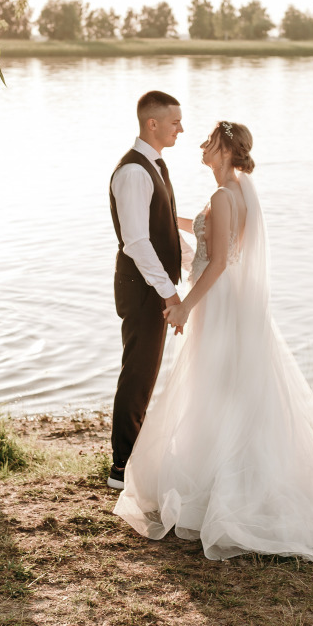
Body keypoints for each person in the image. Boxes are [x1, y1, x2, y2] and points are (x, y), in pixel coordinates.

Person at [114, 121, 313, 560]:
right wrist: (170, 221)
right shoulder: (238, 191)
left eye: (209, 142)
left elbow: (218, 263)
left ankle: (226, 485)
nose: (201, 146)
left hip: (219, 302)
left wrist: (186, 305)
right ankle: (227, 475)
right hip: (231, 302)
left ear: (225, 150)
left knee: (215, 386)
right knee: (228, 387)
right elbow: (218, 238)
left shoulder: (223, 194)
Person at [107, 90, 192, 491]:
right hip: (142, 288)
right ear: (152, 123)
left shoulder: (154, 167)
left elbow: (164, 228)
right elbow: (137, 242)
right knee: (138, 374)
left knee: (146, 372)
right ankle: (121, 468)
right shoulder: (133, 173)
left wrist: (193, 262)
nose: (181, 128)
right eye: (175, 121)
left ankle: (132, 458)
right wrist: (168, 293)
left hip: (152, 285)